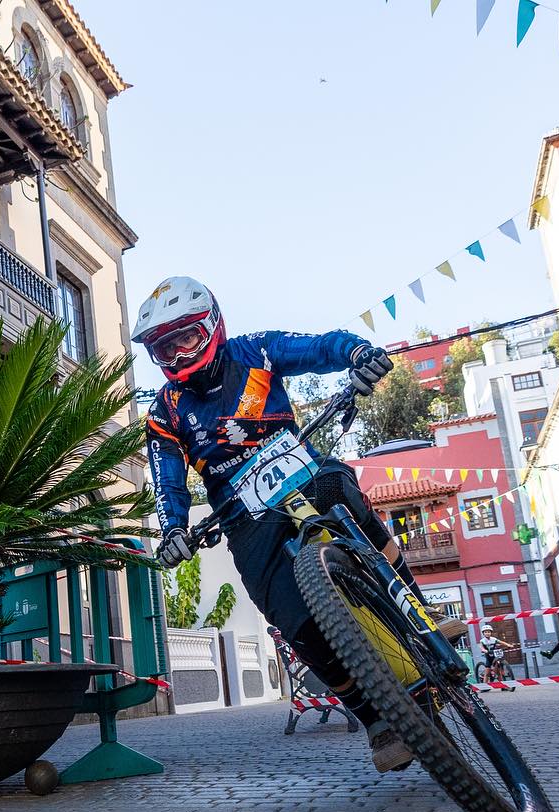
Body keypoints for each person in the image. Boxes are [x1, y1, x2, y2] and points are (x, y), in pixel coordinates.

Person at [136, 276, 467, 773]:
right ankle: (375, 721)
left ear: (211, 327)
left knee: (344, 490)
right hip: (242, 513)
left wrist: (358, 354)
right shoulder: (164, 411)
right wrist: (174, 530)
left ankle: (420, 614)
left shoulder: (257, 352)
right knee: (286, 613)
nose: (179, 354)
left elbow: (319, 348)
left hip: (304, 470)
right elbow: (168, 482)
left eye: (185, 338)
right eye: (165, 348)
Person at [478, 626, 517, 691]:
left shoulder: (494, 639)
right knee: (487, 673)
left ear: (491, 633)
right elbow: (481, 647)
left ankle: (503, 686)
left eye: (489, 632)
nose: (487, 633)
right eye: (485, 632)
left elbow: (502, 642)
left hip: (495, 655)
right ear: (483, 633)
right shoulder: (482, 641)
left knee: (499, 672)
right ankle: (484, 686)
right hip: (488, 656)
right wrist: (484, 650)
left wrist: (508, 645)